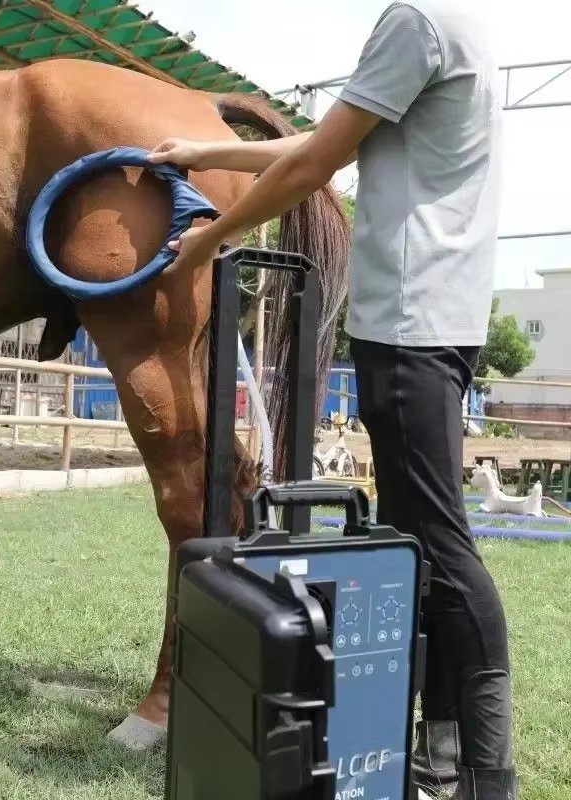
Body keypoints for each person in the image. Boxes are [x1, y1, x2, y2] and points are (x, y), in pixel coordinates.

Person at [148, 2, 515, 799]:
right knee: (428, 534)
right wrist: (208, 148)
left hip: (411, 320)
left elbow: (316, 168)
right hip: (438, 318)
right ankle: (447, 750)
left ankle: (491, 774)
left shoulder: (416, 19)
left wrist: (211, 239)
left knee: (442, 546)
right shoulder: (458, 22)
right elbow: (327, 144)